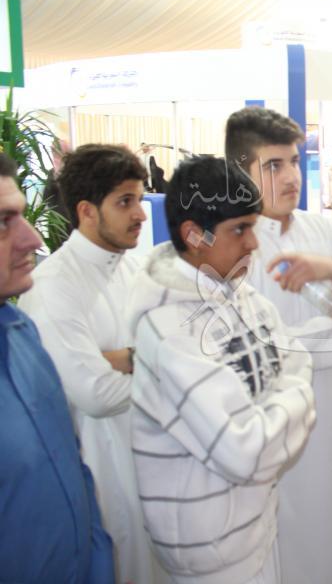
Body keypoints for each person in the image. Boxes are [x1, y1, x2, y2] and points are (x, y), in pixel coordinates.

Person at [128, 156, 317, 583]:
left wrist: (272, 409)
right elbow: (246, 452)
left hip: (255, 527)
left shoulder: (241, 294)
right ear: (194, 234)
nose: (253, 243)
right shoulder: (168, 330)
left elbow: (298, 358)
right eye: (240, 229)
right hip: (209, 554)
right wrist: (299, 396)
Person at [226, 106, 332, 584]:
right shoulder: (233, 246)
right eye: (274, 165)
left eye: (295, 162)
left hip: (329, 412)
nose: (291, 176)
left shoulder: (322, 231)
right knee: (281, 545)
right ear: (241, 171)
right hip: (266, 419)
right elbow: (248, 350)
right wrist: (328, 325)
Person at [17, 144, 165, 584]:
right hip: (102, 479)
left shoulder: (134, 271)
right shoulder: (53, 287)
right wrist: (160, 366)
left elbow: (177, 345)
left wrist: (124, 360)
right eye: (125, 202)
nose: (140, 214)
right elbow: (96, 394)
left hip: (153, 466)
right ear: (86, 210)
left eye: (139, 199)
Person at [0, 152, 115, 583]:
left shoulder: (23, 335)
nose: (32, 239)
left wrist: (100, 564)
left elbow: (71, 467)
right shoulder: (51, 296)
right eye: (3, 223)